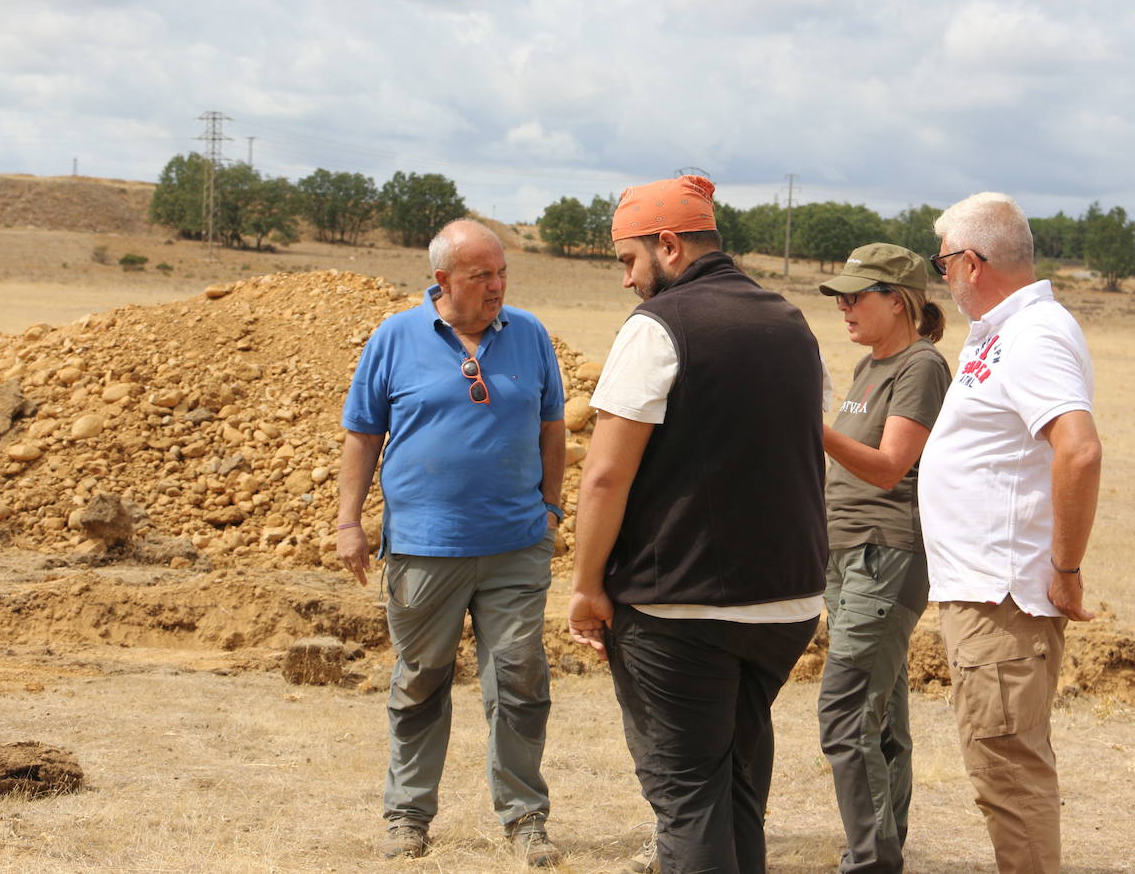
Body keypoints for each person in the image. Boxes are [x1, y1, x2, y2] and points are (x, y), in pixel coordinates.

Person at [567, 175, 828, 873]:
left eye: (628, 260)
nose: (626, 281)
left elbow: (604, 475)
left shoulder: (659, 328)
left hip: (680, 608)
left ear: (670, 246)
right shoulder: (791, 322)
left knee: (687, 798)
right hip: (788, 604)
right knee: (736, 786)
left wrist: (587, 585)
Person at [336, 218, 567, 866]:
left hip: (516, 546)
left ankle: (525, 820)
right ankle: (407, 818)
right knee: (421, 683)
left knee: (520, 682)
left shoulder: (530, 335)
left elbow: (554, 427)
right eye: (480, 276)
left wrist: (550, 509)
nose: (496, 287)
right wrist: (349, 522)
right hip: (423, 549)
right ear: (442, 280)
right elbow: (362, 433)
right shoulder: (394, 337)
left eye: (501, 274)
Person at [919, 193, 1103, 874]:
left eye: (942, 264)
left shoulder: (1036, 333)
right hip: (984, 594)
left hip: (1004, 600)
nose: (942, 278)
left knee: (1010, 777)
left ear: (972, 262)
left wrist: (1067, 567)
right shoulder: (1004, 331)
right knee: (1001, 769)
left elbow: (1078, 450)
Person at [816, 244, 950, 873]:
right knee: (882, 719)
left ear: (896, 301)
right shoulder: (870, 365)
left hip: (884, 556)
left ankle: (869, 863)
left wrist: (807, 426)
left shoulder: (920, 365)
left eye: (855, 295)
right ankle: (884, 851)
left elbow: (890, 465)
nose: (843, 306)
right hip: (847, 556)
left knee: (844, 713)